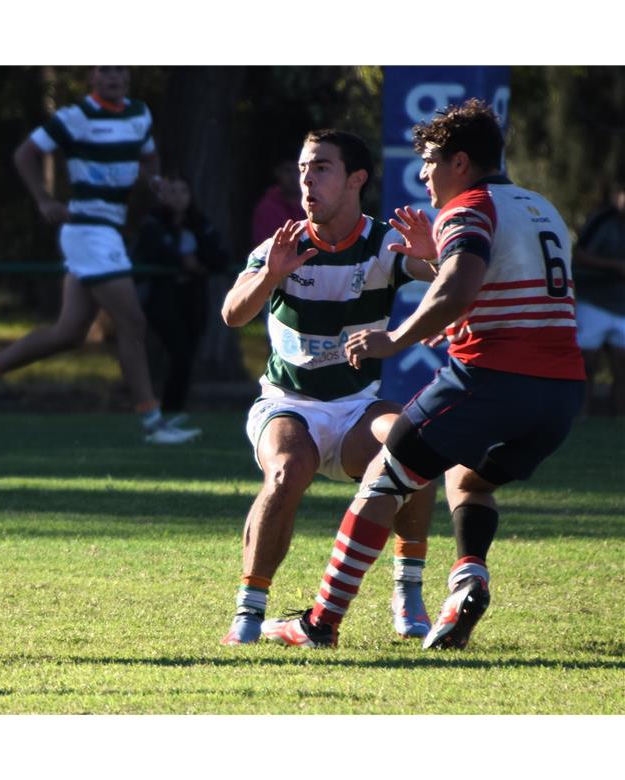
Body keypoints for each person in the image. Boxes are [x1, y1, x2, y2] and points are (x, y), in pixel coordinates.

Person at [262, 99, 586, 649]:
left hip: (491, 380)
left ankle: (319, 624)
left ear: (460, 162)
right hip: (562, 396)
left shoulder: (468, 207)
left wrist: (396, 338)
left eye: (431, 161)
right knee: (469, 477)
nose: (423, 174)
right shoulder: (541, 207)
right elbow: (505, 289)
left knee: (386, 480)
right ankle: (468, 578)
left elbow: (459, 281)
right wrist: (456, 312)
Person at [218, 129, 439, 645]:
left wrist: (433, 258)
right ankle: (249, 615)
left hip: (357, 408)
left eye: (321, 167)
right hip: (287, 404)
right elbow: (232, 314)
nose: (307, 179)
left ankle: (408, 590)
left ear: (355, 178)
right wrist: (269, 276)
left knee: (417, 445)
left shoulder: (382, 242)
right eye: (303, 169)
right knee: (286, 472)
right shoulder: (283, 245)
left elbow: (443, 277)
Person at [0, 66, 198, 444]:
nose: (115, 76)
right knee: (132, 323)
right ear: (92, 78)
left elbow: (149, 157)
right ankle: (152, 424)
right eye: (106, 70)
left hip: (106, 232)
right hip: (87, 230)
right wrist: (44, 199)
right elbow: (25, 154)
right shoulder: (75, 116)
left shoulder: (139, 114)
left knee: (68, 333)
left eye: (121, 69)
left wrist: (155, 182)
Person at [130, 173, 228, 440]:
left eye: (182, 191)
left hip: (193, 295)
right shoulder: (153, 224)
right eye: (171, 191)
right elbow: (148, 253)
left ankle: (174, 410)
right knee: (179, 350)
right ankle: (162, 410)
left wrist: (197, 263)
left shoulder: (198, 221)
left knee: (188, 351)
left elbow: (219, 255)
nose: (177, 197)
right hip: (162, 296)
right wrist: (180, 261)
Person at [573, 183, 625, 415]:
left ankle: (619, 416)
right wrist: (613, 265)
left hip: (622, 304)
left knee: (621, 365)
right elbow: (578, 254)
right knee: (587, 362)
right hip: (594, 300)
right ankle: (581, 412)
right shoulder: (602, 220)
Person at [250, 158, 304, 250]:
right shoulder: (266, 209)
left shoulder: (317, 204)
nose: (293, 176)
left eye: (298, 170)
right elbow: (263, 249)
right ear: (277, 172)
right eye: (288, 170)